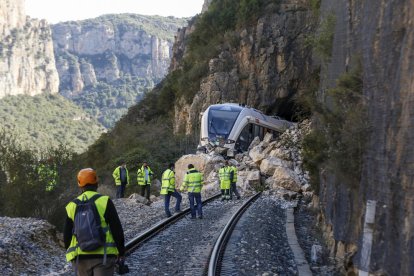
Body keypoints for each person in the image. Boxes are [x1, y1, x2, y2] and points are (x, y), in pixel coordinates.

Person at [64, 168, 125, 276]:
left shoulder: (72, 205)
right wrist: (121, 252)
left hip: (80, 258)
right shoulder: (105, 201)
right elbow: (117, 229)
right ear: (96, 183)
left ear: (80, 185)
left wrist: (72, 253)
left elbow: (66, 236)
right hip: (103, 256)